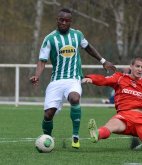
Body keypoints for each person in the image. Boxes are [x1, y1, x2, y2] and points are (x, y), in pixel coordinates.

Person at [30, 8, 116, 149]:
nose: (63, 22)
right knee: (48, 114)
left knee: (75, 98)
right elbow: (42, 61)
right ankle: (48, 138)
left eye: (67, 21)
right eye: (61, 20)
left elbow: (88, 48)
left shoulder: (77, 35)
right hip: (56, 80)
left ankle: (75, 136)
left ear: (70, 22)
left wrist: (103, 61)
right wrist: (37, 76)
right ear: (57, 20)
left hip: (73, 79)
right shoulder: (50, 38)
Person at [82, 56, 142, 151]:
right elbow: (104, 80)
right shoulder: (120, 78)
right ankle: (96, 134)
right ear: (131, 66)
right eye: (137, 66)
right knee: (109, 127)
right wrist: (91, 79)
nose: (139, 69)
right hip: (124, 117)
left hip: (141, 120)